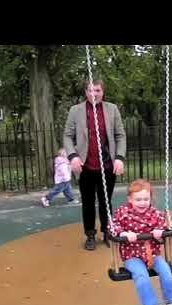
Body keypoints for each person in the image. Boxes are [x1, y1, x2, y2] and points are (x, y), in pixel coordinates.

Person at [63, 79, 126, 250]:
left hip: (107, 165)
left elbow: (120, 135)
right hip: (85, 166)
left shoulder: (112, 109)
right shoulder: (75, 111)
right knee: (88, 201)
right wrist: (73, 156)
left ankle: (107, 232)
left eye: (97, 90)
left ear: (102, 92)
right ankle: (90, 234)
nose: (94, 94)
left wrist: (119, 157)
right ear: (85, 92)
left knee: (106, 201)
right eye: (90, 90)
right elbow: (68, 136)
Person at [109, 179, 172, 305]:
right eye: (138, 200)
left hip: (153, 254)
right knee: (141, 276)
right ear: (130, 199)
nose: (142, 203)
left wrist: (160, 232)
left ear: (150, 199)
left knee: (166, 270)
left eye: (145, 199)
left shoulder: (154, 213)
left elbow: (164, 225)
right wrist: (124, 233)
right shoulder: (123, 213)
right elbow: (113, 226)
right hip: (132, 256)